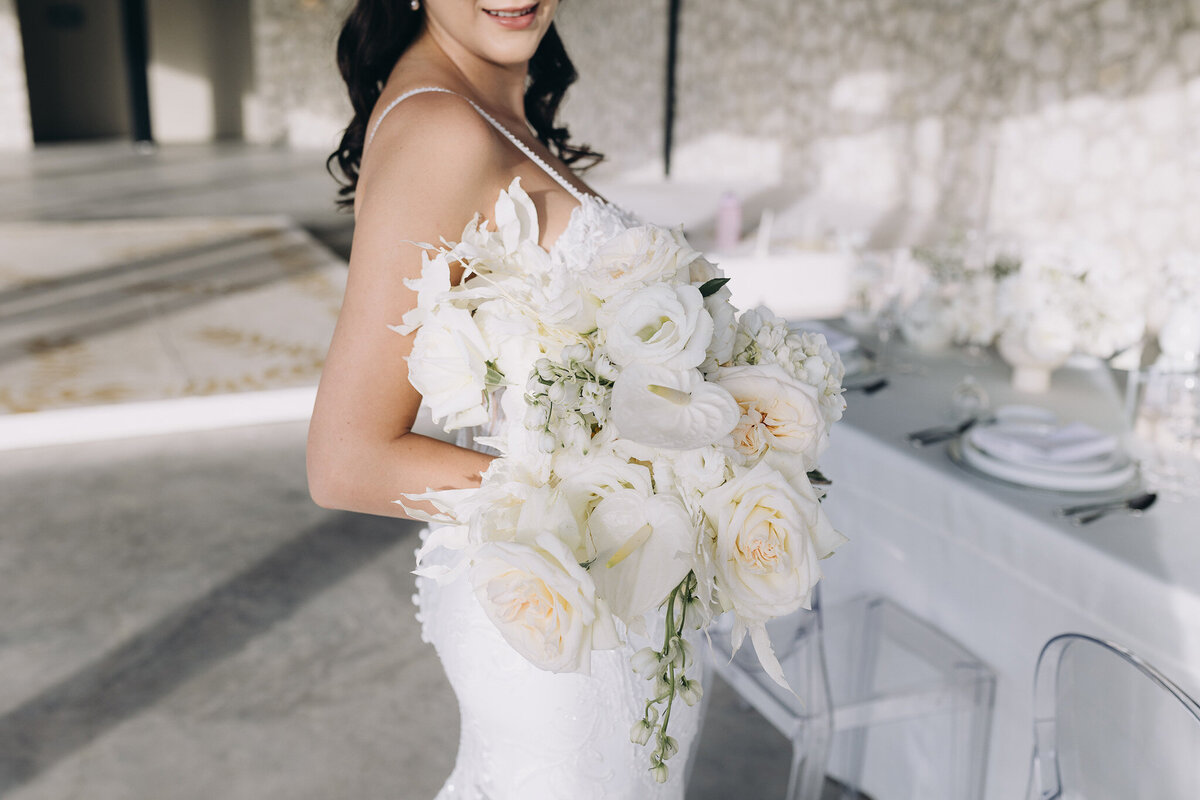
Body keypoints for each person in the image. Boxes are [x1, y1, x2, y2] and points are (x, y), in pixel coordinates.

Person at [307, 2, 703, 798]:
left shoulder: (488, 103)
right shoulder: (441, 131)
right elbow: (345, 461)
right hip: (558, 615)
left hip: (610, 595)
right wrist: (603, 504)